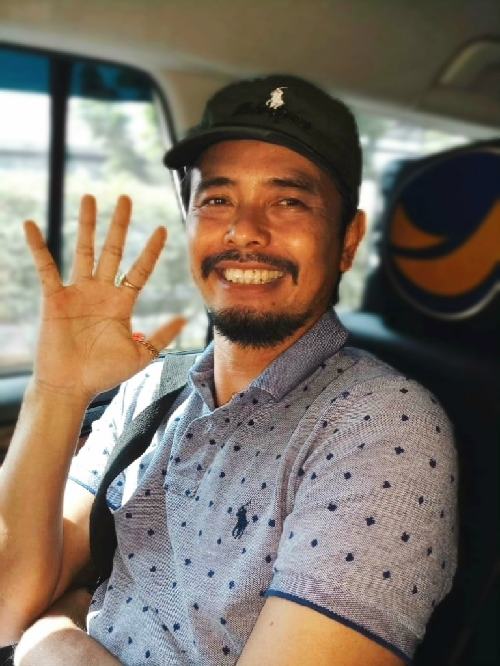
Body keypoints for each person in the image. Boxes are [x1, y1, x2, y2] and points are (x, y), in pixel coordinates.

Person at [0, 75, 458, 666]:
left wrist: (53, 638)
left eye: (289, 201)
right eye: (217, 200)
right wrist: (57, 389)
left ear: (348, 240)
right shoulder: (151, 389)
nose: (245, 231)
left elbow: (25, 626)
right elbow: (7, 602)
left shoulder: (380, 428)